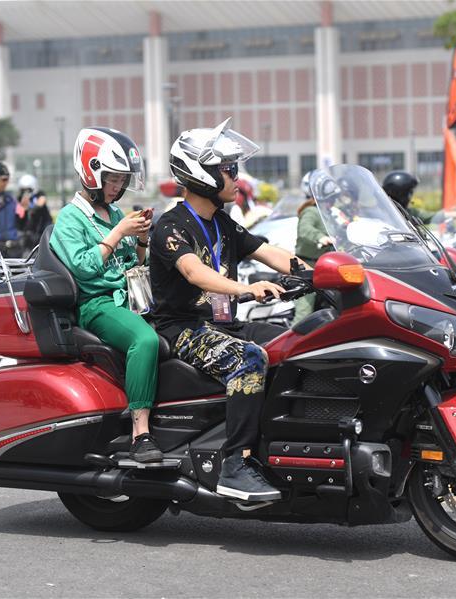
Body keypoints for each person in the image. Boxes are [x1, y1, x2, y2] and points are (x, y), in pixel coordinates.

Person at [150, 118, 304, 501]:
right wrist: (246, 289)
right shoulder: (170, 226)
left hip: (224, 324)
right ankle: (235, 464)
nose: (236, 177)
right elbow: (194, 272)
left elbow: (269, 252)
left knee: (296, 344)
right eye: (228, 169)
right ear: (201, 174)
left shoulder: (223, 222)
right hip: (183, 330)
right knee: (249, 358)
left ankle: (278, 448)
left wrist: (324, 272)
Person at [49, 127, 162, 462]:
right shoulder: (70, 218)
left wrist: (141, 239)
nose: (117, 187)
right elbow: (84, 267)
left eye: (122, 180)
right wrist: (118, 232)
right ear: (91, 172)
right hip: (96, 304)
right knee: (145, 340)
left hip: (129, 298)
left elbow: (133, 266)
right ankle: (140, 433)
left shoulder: (113, 214)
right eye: (112, 179)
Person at [294, 171, 333, 322]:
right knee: (304, 311)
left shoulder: (330, 213)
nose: (332, 202)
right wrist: (320, 237)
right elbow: (304, 229)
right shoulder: (311, 211)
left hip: (325, 267)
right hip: (307, 266)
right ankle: (294, 336)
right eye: (329, 199)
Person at [17, 174, 53, 253]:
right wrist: (23, 208)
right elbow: (20, 217)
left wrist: (32, 208)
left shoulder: (39, 195)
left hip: (41, 231)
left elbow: (41, 202)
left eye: (27, 190)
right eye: (23, 190)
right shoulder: (20, 200)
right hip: (29, 235)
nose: (25, 193)